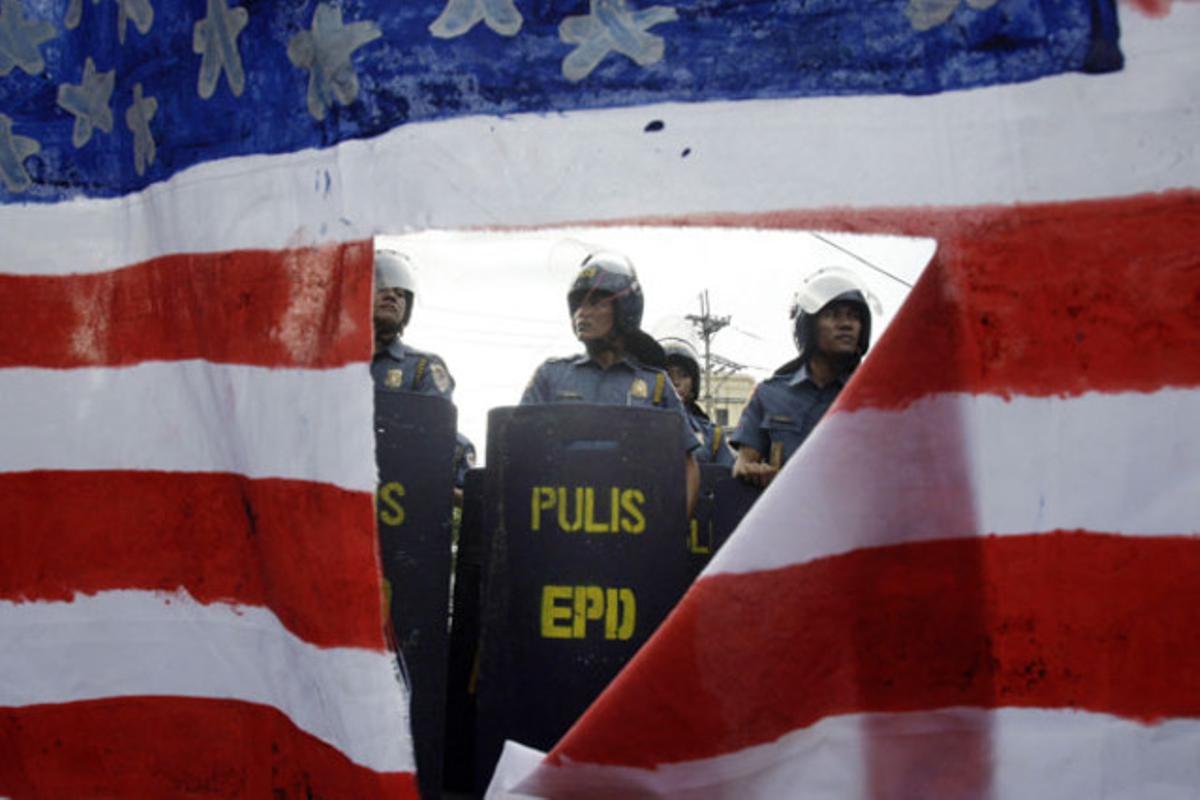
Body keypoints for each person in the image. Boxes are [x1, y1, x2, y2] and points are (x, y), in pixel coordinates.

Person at [520, 251, 700, 514]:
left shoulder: (656, 384)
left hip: (633, 527)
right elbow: (518, 452)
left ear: (625, 309)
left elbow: (687, 466)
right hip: (557, 526)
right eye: (578, 304)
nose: (582, 313)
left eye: (596, 303)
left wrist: (670, 532)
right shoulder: (550, 376)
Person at [732, 267, 878, 488]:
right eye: (833, 315)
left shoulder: (875, 397)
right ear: (808, 327)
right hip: (787, 515)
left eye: (853, 316)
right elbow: (743, 463)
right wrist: (751, 469)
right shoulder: (769, 394)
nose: (847, 324)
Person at [372, 248, 455, 399]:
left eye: (400, 294)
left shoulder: (423, 367)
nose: (391, 296)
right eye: (382, 288)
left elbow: (436, 420)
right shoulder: (332, 368)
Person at [659, 338, 735, 467]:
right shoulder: (640, 422)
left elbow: (727, 478)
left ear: (694, 383)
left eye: (683, 375)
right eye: (668, 375)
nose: (676, 382)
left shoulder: (712, 435)